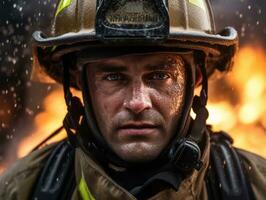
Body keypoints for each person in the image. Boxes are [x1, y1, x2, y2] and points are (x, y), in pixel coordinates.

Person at [0, 0, 265, 199]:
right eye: (114, 77)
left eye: (160, 75)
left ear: (195, 80)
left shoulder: (255, 187)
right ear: (79, 83)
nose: (138, 103)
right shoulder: (21, 190)